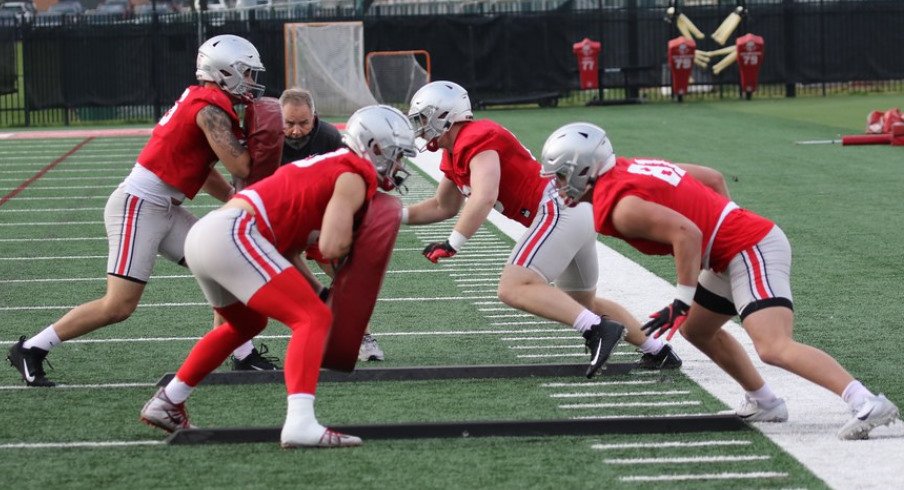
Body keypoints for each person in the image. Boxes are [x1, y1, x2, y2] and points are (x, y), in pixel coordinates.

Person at [539, 121, 900, 439]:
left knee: (773, 346)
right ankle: (764, 401)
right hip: (732, 250)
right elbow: (711, 178)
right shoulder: (629, 169)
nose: (557, 185)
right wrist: (723, 230)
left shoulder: (621, 206)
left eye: (559, 175)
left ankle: (866, 401)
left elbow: (688, 234)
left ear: (583, 168)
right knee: (697, 330)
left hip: (749, 247)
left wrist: (684, 295)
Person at [139, 104, 417, 448]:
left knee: (246, 325)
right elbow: (331, 246)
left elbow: (286, 251)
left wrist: (319, 289)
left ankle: (169, 399)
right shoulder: (353, 173)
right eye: (397, 155)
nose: (400, 165)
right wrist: (358, 246)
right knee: (312, 319)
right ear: (374, 147)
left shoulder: (331, 166)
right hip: (234, 233)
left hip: (211, 233)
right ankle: (301, 423)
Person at [6, 34, 264, 387]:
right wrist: (262, 142)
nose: (251, 82)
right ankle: (32, 347)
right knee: (119, 306)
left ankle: (242, 352)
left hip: (162, 208)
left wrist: (238, 202)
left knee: (223, 263)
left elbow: (203, 174)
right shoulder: (210, 110)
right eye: (246, 73)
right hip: (138, 207)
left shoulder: (207, 102)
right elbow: (243, 167)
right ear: (223, 72)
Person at [403, 81, 681, 379]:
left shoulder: (476, 137)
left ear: (444, 114)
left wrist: (453, 242)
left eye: (422, 118)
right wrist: (394, 216)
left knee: (513, 287)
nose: (419, 126)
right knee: (581, 303)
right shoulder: (454, 152)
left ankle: (599, 330)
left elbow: (485, 195)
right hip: (574, 212)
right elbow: (442, 205)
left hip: (558, 208)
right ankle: (657, 350)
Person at [279, 87, 385, 363]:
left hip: (321, 214)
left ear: (315, 117)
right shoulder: (268, 138)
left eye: (303, 123)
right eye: (289, 123)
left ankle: (361, 335)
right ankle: (243, 347)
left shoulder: (328, 137)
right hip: (280, 214)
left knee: (346, 272)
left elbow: (348, 179)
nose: (296, 131)